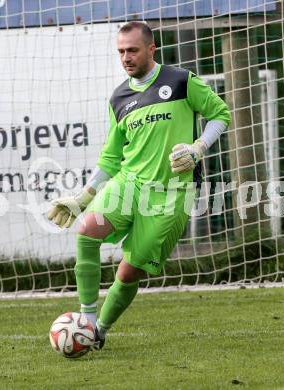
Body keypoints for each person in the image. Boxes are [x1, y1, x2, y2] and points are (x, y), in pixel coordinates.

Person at [47, 21, 231, 351]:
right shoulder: (119, 98)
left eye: (132, 50)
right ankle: (86, 319)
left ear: (151, 49)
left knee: (129, 272)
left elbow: (220, 114)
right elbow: (111, 157)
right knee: (86, 233)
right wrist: (82, 199)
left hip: (171, 194)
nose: (126, 57)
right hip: (128, 184)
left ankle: (100, 330)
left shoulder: (179, 81)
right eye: (121, 52)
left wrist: (199, 147)